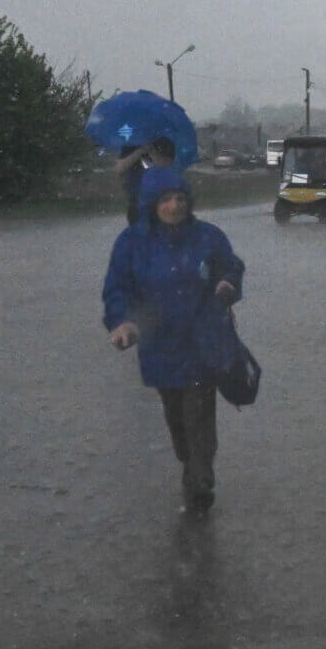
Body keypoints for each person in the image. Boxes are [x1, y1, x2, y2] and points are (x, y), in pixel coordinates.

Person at [101, 167, 244, 512]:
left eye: (180, 198)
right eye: (166, 199)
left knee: (198, 413)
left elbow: (231, 266)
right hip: (159, 345)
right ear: (152, 204)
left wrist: (227, 284)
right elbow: (117, 288)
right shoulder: (132, 243)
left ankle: (200, 479)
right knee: (176, 417)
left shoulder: (207, 236)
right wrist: (122, 323)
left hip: (202, 341)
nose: (175, 205)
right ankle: (190, 465)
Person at [117, 136, 178, 224]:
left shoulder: (165, 141)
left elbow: (166, 165)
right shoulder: (130, 143)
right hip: (136, 199)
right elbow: (120, 168)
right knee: (137, 231)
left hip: (161, 199)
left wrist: (151, 150)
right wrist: (139, 151)